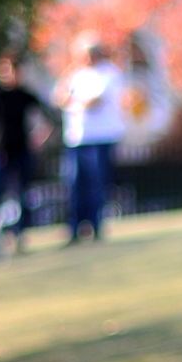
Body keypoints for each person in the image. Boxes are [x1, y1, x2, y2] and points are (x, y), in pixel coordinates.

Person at [53, 33, 126, 245]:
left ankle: (95, 226)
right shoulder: (75, 75)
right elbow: (59, 97)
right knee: (75, 184)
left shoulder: (109, 73)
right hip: (77, 138)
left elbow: (93, 102)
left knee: (97, 185)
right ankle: (75, 229)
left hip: (100, 139)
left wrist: (73, 100)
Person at [0, 53, 50, 250]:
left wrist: (40, 138)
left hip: (22, 151)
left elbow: (47, 117)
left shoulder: (24, 95)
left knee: (22, 194)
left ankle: (21, 234)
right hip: (1, 153)